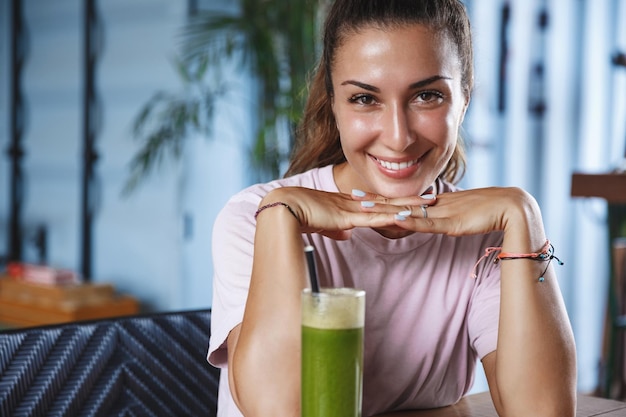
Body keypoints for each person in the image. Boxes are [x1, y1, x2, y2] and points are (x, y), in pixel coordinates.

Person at [207, 0, 577, 416]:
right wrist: (279, 217)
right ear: (334, 103)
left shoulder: (490, 237)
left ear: (464, 100)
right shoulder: (254, 216)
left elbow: (542, 412)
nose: (398, 137)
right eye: (365, 99)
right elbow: (278, 410)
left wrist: (522, 213)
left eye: (427, 95)